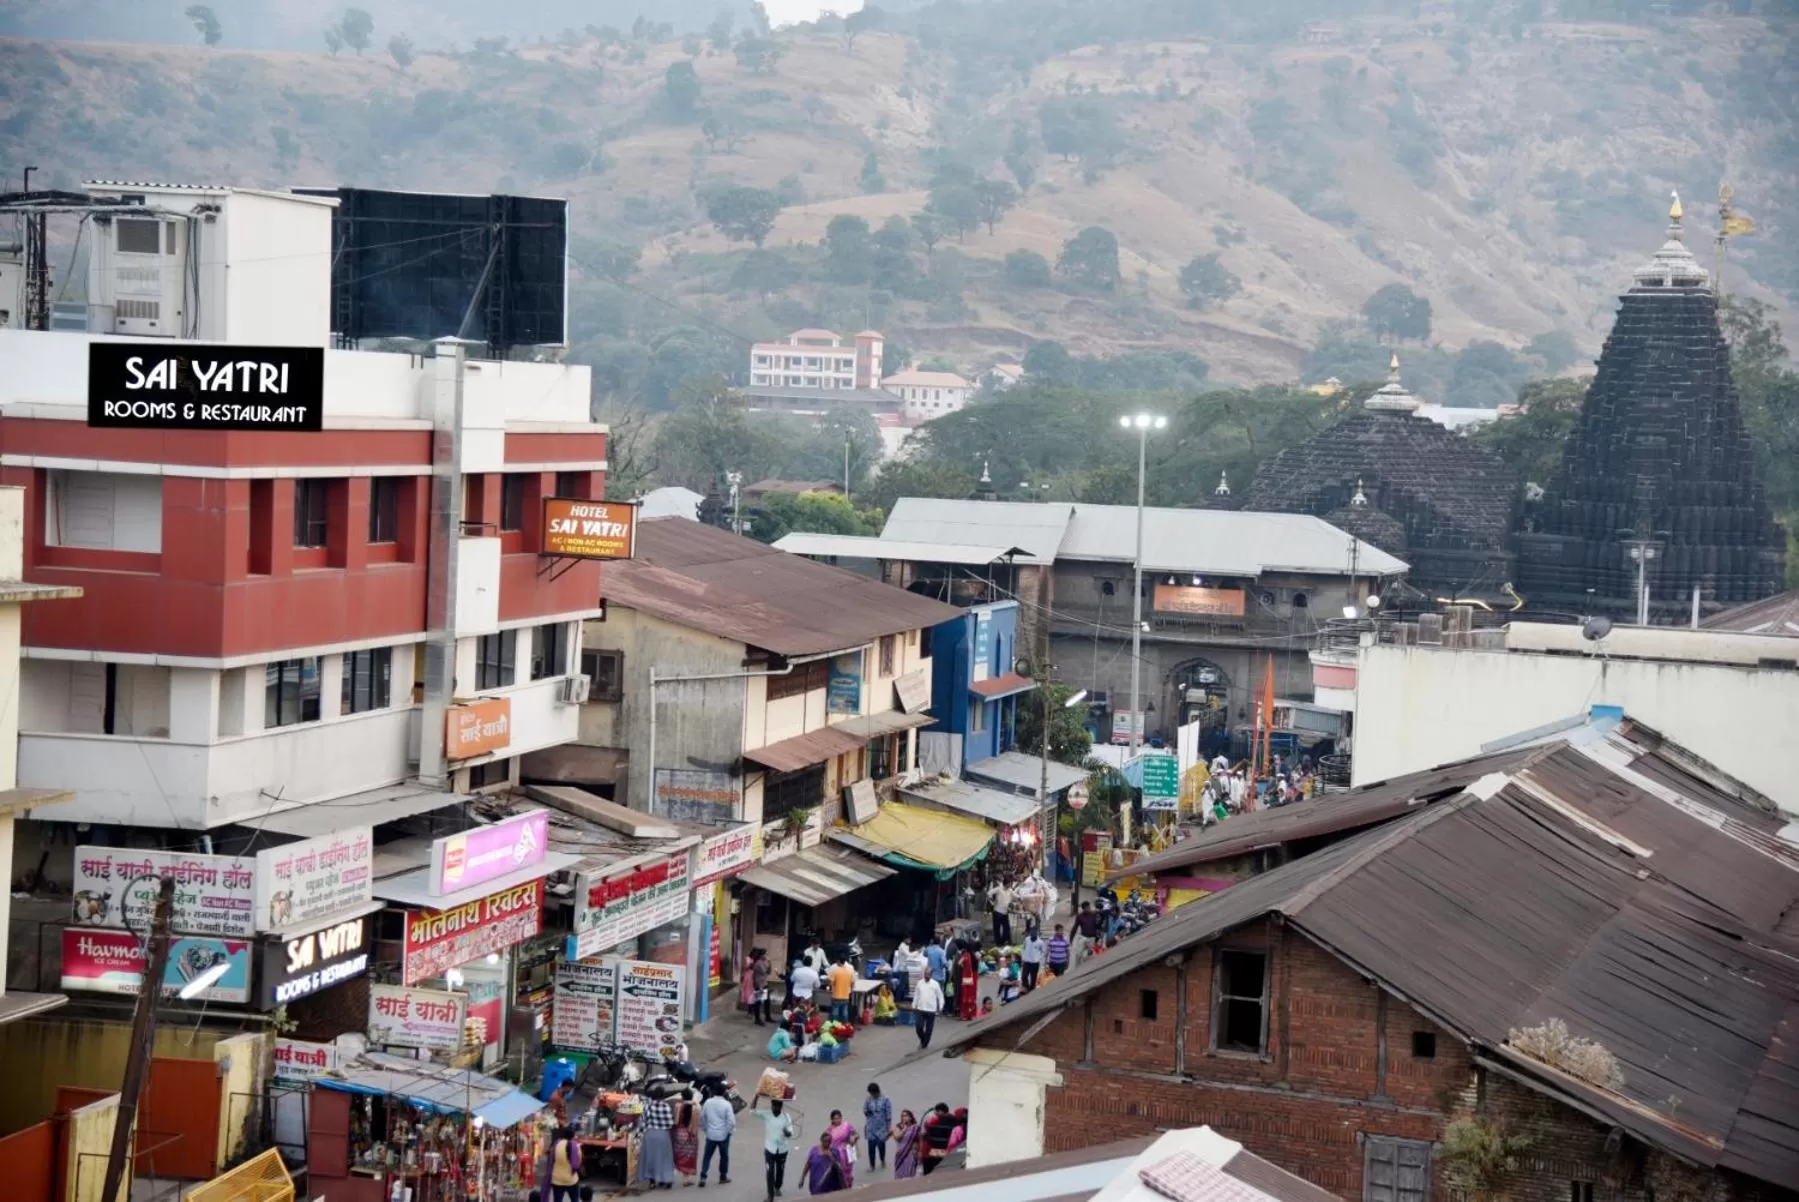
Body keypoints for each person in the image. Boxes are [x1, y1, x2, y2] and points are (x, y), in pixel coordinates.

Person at [755, 1098, 796, 1201]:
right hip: (770, 1149)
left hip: (782, 1149)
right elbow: (752, 1111)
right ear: (771, 1106)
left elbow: (790, 1133)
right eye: (774, 1106)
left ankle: (777, 1187)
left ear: (781, 1107)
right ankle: (770, 1195)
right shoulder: (767, 1115)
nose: (775, 1108)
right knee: (770, 1172)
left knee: (780, 1170)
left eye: (777, 1107)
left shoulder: (786, 1117)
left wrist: (786, 1132)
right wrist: (756, 1096)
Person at [699, 1086, 736, 1186]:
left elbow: (702, 1118)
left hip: (711, 1134)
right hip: (723, 1135)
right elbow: (731, 1122)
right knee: (724, 1156)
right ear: (724, 1093)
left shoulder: (708, 1103)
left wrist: (706, 1129)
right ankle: (723, 1176)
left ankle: (703, 1176)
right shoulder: (727, 1104)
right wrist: (727, 1132)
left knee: (707, 1156)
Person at [639, 1097, 677, 1190]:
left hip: (650, 1134)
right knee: (664, 1158)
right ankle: (666, 1179)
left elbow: (643, 1121)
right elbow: (670, 1123)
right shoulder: (666, 1106)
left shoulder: (648, 1106)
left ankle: (652, 1182)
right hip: (663, 1135)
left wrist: (641, 1132)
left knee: (651, 1158)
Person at [804, 1131, 851, 1195]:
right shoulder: (814, 1150)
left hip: (830, 1184)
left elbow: (839, 1167)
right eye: (825, 1141)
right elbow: (808, 1164)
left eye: (829, 1141)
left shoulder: (834, 1151)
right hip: (816, 1183)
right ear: (821, 1140)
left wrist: (830, 1156)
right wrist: (802, 1178)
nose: (827, 1143)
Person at [671, 1091, 700, 1185]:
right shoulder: (696, 1107)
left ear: (682, 1097)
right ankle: (687, 1179)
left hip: (680, 1134)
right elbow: (698, 1121)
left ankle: (680, 1174)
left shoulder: (678, 1106)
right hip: (691, 1134)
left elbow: (675, 1120)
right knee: (690, 1157)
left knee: (680, 1155)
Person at [547, 1126, 582, 1202]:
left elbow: (551, 1160)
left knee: (557, 1200)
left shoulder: (556, 1144)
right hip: (571, 1179)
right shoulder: (575, 1146)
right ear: (573, 1136)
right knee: (575, 1199)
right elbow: (578, 1163)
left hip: (557, 1179)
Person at [862, 1083, 892, 1170]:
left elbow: (888, 1114)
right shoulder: (868, 1099)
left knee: (881, 1146)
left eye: (873, 1093)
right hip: (871, 1127)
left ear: (877, 1091)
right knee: (871, 1148)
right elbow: (864, 1109)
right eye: (871, 1093)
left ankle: (882, 1160)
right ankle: (872, 1165)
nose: (872, 1095)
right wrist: (866, 1112)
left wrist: (888, 1127)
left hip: (881, 1127)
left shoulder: (885, 1099)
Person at [913, 970, 945, 1049]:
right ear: (924, 974)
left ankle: (924, 1044)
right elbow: (916, 995)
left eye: (928, 975)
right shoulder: (919, 983)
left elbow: (940, 996)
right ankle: (923, 1039)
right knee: (918, 1027)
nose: (926, 976)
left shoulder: (935, 984)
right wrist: (914, 1005)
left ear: (931, 975)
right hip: (921, 1008)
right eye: (925, 974)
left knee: (929, 1029)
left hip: (931, 1010)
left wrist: (941, 1006)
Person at [892, 1109, 922, 1179]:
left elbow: (920, 1139)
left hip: (911, 1153)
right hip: (901, 1154)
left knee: (910, 1173)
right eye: (902, 1116)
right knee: (899, 1173)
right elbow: (897, 1137)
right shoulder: (898, 1126)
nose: (904, 1118)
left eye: (906, 1116)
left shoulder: (916, 1127)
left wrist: (919, 1151)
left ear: (911, 1117)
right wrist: (904, 1129)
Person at [827, 957, 857, 1023]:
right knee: (845, 1012)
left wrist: (829, 983)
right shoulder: (850, 970)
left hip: (836, 995)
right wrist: (851, 990)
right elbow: (853, 982)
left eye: (837, 961)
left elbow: (830, 983)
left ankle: (835, 1025)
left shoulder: (835, 971)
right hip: (845, 995)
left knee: (835, 1012)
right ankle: (845, 1024)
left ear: (839, 961)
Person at [956, 944, 980, 1021]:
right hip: (972, 977)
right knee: (971, 996)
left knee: (965, 996)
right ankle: (970, 1014)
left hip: (965, 977)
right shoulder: (972, 956)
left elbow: (959, 963)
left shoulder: (965, 955)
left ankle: (964, 1015)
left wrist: (963, 967)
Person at [987, 877, 1014, 946]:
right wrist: (992, 902)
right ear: (1006, 883)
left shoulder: (1010, 890)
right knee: (997, 929)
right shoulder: (998, 889)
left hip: (1005, 912)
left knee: (1006, 929)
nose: (1010, 885)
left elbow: (1016, 895)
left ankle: (1003, 941)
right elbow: (989, 893)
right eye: (1010, 883)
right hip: (997, 912)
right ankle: (998, 943)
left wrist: (1022, 898)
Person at [749, 948, 773, 1025]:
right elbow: (757, 976)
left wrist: (770, 963)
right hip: (759, 985)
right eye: (766, 954)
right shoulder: (758, 963)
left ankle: (767, 1016)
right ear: (762, 955)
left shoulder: (764, 962)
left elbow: (768, 972)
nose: (767, 956)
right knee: (758, 1002)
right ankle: (757, 1019)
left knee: (767, 1001)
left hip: (764, 983)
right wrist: (759, 987)